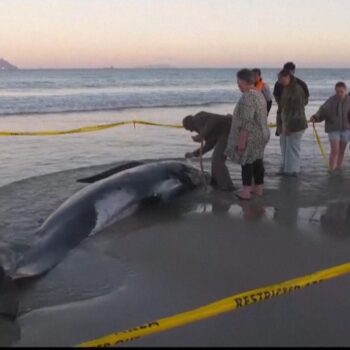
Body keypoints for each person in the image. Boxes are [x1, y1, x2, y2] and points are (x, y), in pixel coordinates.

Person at [225, 69, 270, 200]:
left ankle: (246, 192)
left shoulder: (247, 97)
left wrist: (241, 142)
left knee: (246, 162)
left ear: (244, 81)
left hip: (252, 136)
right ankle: (258, 189)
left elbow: (246, 123)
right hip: (262, 133)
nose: (237, 84)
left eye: (238, 81)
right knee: (257, 161)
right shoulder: (259, 94)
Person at [183, 111, 235, 191]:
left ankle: (226, 187)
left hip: (229, 130)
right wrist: (194, 154)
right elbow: (210, 144)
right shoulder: (201, 128)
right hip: (223, 135)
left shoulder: (198, 117)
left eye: (188, 128)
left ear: (189, 122)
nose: (190, 131)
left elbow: (214, 118)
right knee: (215, 159)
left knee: (217, 159)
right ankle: (217, 183)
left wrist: (202, 135)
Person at [310, 82, 350, 172]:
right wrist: (315, 117)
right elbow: (322, 111)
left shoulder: (349, 101)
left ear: (345, 91)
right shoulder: (331, 100)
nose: (339, 94)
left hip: (346, 129)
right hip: (333, 128)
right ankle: (332, 170)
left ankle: (338, 168)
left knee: (341, 151)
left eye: (341, 92)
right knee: (335, 150)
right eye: (337, 92)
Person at [278, 69, 308, 176]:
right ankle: (287, 171)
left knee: (292, 151)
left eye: (281, 79)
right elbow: (284, 108)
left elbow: (297, 111)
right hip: (287, 123)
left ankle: (292, 173)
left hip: (296, 125)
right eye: (278, 79)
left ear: (288, 77)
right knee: (287, 149)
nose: (279, 81)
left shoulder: (296, 90)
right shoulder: (287, 88)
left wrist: (289, 127)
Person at [273, 62, 309, 136]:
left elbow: (304, 101)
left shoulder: (299, 85)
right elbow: (277, 99)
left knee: (292, 145)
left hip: (295, 121)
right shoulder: (279, 84)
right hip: (283, 117)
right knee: (285, 145)